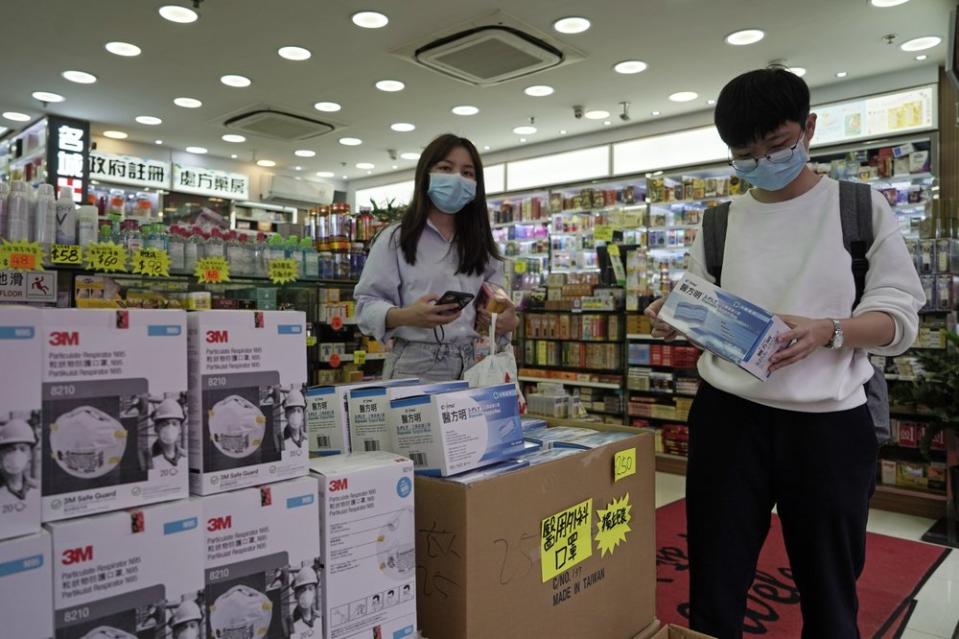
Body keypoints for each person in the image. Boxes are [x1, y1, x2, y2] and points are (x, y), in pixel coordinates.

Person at [646, 66, 923, 638]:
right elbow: (708, 310)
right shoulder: (720, 223)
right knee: (716, 579)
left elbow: (898, 318)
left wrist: (831, 330)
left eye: (776, 145)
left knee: (829, 583)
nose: (762, 162)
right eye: (743, 153)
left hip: (828, 423)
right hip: (728, 418)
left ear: (809, 129)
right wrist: (678, 319)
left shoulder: (858, 206)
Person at [355, 133, 518, 383]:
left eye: (467, 172)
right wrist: (407, 315)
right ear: (426, 175)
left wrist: (506, 319)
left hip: (475, 363)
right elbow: (366, 305)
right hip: (415, 363)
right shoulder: (396, 238)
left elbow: (498, 299)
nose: (457, 179)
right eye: (445, 168)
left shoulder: (482, 244)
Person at [0, 418, 37, 501]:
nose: (17, 455)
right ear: (1, 454)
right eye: (10, 449)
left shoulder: (36, 489)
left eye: (23, 449)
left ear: (30, 455)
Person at [150, 398, 186, 469]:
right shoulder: (145, 459)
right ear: (155, 428)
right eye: (164, 424)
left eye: (174, 423)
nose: (170, 428)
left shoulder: (186, 457)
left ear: (180, 429)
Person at [291, 566, 319, 632]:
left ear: (314, 592)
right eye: (303, 590)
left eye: (310, 588)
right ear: (296, 594)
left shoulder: (320, 618)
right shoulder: (290, 625)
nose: (307, 593)